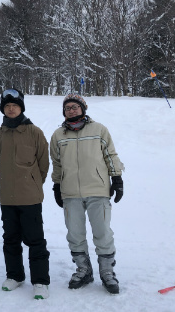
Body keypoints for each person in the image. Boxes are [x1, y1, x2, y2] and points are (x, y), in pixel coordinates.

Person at [50, 93, 125, 294]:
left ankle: (107, 272)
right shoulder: (58, 135)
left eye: (75, 107)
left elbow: (111, 155)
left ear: (83, 108)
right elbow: (56, 164)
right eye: (67, 108)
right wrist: (57, 185)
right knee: (75, 233)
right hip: (70, 191)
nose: (71, 110)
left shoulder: (99, 130)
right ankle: (83, 270)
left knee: (102, 232)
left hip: (98, 189)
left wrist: (116, 178)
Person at [0, 89, 51, 300]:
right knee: (10, 238)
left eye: (14, 105)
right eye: (7, 106)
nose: (11, 108)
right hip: (7, 196)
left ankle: (40, 281)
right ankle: (15, 276)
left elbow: (43, 163)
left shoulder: (34, 132)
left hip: (30, 196)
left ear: (21, 107)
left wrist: (33, 182)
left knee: (35, 240)